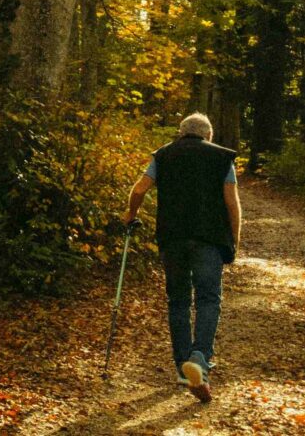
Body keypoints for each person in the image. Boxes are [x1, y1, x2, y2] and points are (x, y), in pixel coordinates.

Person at [122, 112, 241, 404]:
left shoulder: (163, 155)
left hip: (172, 238)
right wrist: (234, 240)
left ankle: (182, 366)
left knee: (177, 300)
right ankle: (199, 359)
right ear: (208, 136)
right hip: (209, 239)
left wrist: (131, 215)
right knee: (208, 299)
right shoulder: (222, 158)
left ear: (180, 133)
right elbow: (231, 203)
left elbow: (139, 189)